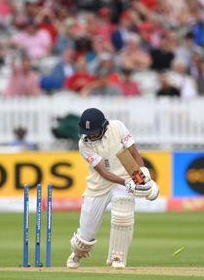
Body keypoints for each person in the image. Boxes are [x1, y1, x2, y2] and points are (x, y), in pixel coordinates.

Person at [66, 108, 159, 269]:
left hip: (127, 175)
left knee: (123, 214)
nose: (91, 135)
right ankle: (77, 253)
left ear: (104, 126)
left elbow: (133, 152)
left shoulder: (117, 127)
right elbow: (103, 172)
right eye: (89, 132)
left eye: (94, 132)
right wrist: (126, 183)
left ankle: (118, 256)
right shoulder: (83, 144)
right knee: (86, 233)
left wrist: (143, 176)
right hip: (99, 185)